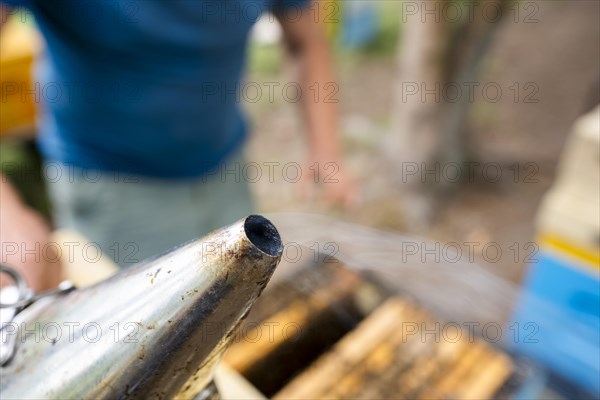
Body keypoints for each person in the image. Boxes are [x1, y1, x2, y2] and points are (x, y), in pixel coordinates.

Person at [0, 0, 355, 291]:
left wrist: (326, 151)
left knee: (232, 299)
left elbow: (306, 41)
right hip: (112, 186)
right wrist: (8, 217)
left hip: (225, 168)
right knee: (142, 341)